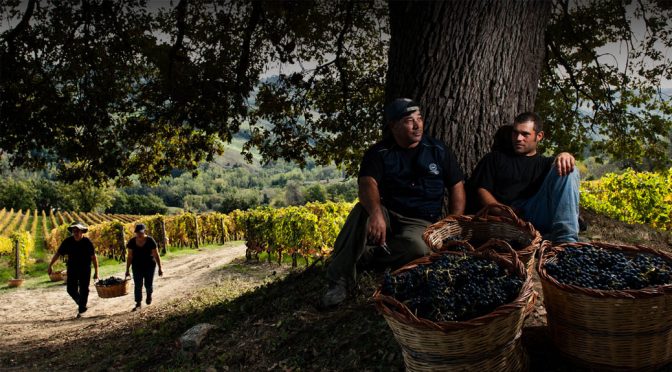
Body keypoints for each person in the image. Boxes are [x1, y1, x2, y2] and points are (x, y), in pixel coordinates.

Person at [322, 98, 466, 307]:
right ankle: (338, 281)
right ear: (393, 125)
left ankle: (369, 257)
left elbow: (457, 185)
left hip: (420, 220)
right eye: (409, 120)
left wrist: (454, 220)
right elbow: (367, 183)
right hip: (388, 213)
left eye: (419, 119)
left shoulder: (438, 150)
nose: (417, 125)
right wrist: (376, 213)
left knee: (420, 248)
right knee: (362, 211)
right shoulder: (378, 153)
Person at [469, 112, 580, 243]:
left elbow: (563, 173)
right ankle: (543, 238)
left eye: (525, 134)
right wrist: (506, 213)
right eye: (515, 133)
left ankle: (566, 242)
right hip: (507, 214)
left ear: (539, 136)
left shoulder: (545, 163)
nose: (518, 138)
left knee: (568, 170)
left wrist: (565, 155)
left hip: (535, 211)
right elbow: (481, 190)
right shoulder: (495, 158)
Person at [48, 221, 99, 318]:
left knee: (84, 289)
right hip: (72, 268)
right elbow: (58, 253)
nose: (75, 233)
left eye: (77, 231)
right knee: (70, 289)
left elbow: (93, 257)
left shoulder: (87, 242)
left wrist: (96, 272)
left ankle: (81, 310)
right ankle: (81, 304)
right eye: (73, 231)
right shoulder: (68, 241)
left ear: (82, 232)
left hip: (85, 269)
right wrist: (50, 265)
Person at [125, 223, 163, 311]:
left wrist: (160, 268)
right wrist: (127, 270)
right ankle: (138, 303)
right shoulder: (132, 242)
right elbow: (130, 256)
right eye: (137, 232)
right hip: (137, 266)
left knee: (148, 285)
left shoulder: (150, 240)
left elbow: (156, 254)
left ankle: (149, 295)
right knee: (138, 285)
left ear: (144, 231)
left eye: (141, 232)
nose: (139, 234)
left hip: (149, 265)